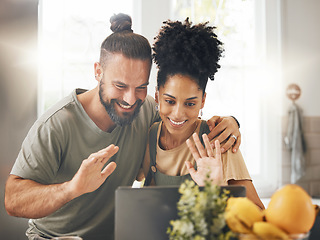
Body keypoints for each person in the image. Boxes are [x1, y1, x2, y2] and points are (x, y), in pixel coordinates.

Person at [4, 13, 241, 240]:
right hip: (56, 237)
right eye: (120, 86)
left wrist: (231, 122)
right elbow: (13, 200)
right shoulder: (55, 125)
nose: (130, 99)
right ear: (98, 72)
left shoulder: (145, 109)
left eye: (141, 87)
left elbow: (180, 117)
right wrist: (72, 188)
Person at [138, 18, 264, 209]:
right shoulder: (150, 137)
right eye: (170, 101)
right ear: (157, 96)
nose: (178, 114)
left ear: (203, 100)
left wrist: (217, 188)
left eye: (190, 103)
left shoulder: (218, 141)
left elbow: (259, 216)